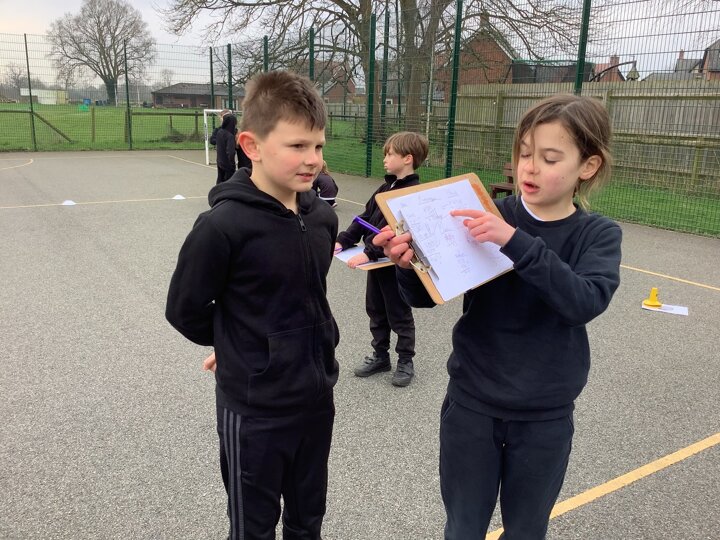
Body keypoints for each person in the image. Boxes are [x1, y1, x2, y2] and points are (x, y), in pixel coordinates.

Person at [374, 94, 622, 539]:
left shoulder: (597, 233)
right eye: (524, 154)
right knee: (463, 526)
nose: (530, 168)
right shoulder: (489, 215)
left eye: (549, 158)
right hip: (472, 403)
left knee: (526, 529)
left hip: (544, 415)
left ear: (588, 166)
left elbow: (583, 302)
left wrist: (515, 242)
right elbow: (428, 298)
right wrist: (408, 267)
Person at [166, 70, 339, 540]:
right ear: (251, 145)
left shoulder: (322, 218)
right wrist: (236, 342)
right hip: (254, 410)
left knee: (308, 520)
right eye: (297, 145)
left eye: (318, 146)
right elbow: (184, 309)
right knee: (253, 527)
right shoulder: (221, 227)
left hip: (315, 399)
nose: (312, 159)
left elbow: (304, 295)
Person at [335, 131, 429, 387]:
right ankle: (380, 356)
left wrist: (368, 253)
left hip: (397, 266)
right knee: (375, 309)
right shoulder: (384, 188)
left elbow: (396, 232)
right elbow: (364, 218)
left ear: (408, 158)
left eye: (390, 154)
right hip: (376, 266)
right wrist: (344, 240)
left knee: (399, 312)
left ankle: (405, 360)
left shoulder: (413, 194)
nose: (385, 159)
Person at [214, 112, 238, 183]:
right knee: (229, 183)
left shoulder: (220, 132)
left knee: (220, 180)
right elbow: (231, 152)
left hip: (219, 161)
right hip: (227, 164)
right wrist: (232, 164)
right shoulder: (229, 136)